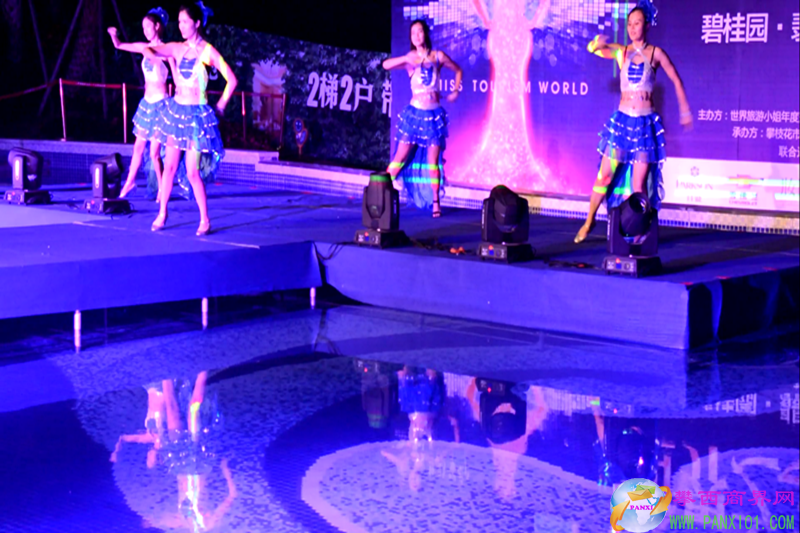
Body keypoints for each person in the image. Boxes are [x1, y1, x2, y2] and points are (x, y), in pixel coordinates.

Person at [574, 0, 692, 244]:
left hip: (644, 126)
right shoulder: (622, 52)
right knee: (604, 176)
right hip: (622, 123)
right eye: (629, 24)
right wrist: (596, 43)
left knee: (639, 185)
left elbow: (676, 79)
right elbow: (593, 49)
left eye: (637, 23)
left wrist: (684, 109)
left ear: (646, 25)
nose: (632, 28)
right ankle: (589, 221)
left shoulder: (656, 53)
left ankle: (638, 230)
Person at [145, 2, 237, 236]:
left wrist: (221, 104)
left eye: (185, 21)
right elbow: (151, 49)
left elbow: (232, 80)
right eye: (179, 22)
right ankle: (162, 213)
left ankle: (205, 219)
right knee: (169, 167)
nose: (181, 26)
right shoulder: (177, 48)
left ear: (196, 23)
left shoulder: (207, 51)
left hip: (196, 117)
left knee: (192, 171)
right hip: (177, 114)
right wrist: (122, 45)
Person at [382, 19, 462, 218]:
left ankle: (436, 202)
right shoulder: (410, 58)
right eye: (413, 33)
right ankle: (380, 193)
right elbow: (386, 65)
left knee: (432, 163)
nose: (416, 36)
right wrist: (407, 59)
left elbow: (458, 70)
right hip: (414, 115)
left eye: (419, 31)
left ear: (425, 33)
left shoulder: (438, 56)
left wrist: (455, 91)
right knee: (400, 158)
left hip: (433, 116)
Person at [107, 8, 173, 202]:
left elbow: (176, 67)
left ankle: (162, 188)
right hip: (146, 104)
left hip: (161, 105)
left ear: (157, 26)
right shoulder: (144, 47)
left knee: (154, 153)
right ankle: (129, 182)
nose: (145, 31)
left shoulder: (166, 50)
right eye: (143, 27)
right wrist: (113, 35)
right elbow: (119, 45)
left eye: (148, 27)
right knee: (138, 147)